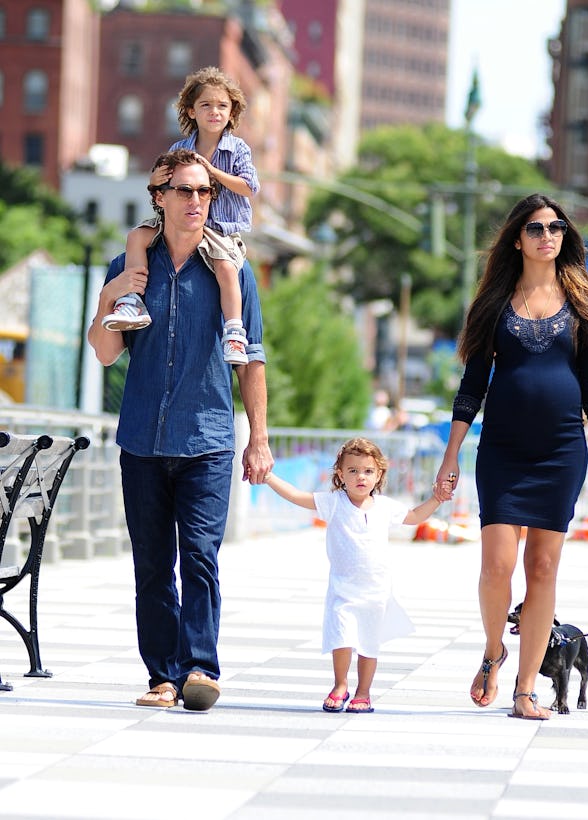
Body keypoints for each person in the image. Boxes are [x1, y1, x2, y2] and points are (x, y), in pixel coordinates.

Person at [433, 193, 588, 720]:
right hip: (502, 450)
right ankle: (492, 651)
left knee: (543, 566)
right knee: (496, 566)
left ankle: (526, 690)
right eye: (536, 228)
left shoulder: (586, 304)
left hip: (561, 452)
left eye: (556, 227)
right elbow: (471, 386)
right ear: (517, 239)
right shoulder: (494, 304)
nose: (548, 235)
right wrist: (451, 456)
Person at [87, 148, 274, 712]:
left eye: (204, 191)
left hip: (207, 438)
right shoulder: (128, 264)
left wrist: (258, 438)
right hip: (142, 438)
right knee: (151, 566)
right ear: (160, 197)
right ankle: (162, 677)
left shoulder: (231, 269)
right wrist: (109, 295)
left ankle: (199, 668)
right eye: (185, 190)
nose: (197, 200)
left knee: (199, 556)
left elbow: (252, 359)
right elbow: (105, 352)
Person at [263, 437, 455, 713]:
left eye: (367, 471)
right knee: (341, 638)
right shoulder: (333, 502)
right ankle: (340, 684)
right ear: (341, 475)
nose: (360, 477)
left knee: (368, 644)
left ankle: (363, 692)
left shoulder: (385, 506)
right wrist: (268, 477)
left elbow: (414, 516)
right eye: (352, 471)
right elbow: (296, 496)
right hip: (342, 589)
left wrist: (437, 499)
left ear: (379, 475)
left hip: (376, 592)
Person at [102, 66, 259, 367]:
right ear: (191, 111)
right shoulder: (180, 148)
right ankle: (132, 300)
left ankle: (234, 331)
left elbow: (249, 187)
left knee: (227, 268)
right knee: (136, 237)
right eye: (206, 105)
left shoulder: (237, 149)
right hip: (178, 224)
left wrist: (211, 172)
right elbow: (160, 186)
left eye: (222, 106)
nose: (214, 111)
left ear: (232, 112)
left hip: (219, 230)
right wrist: (154, 178)